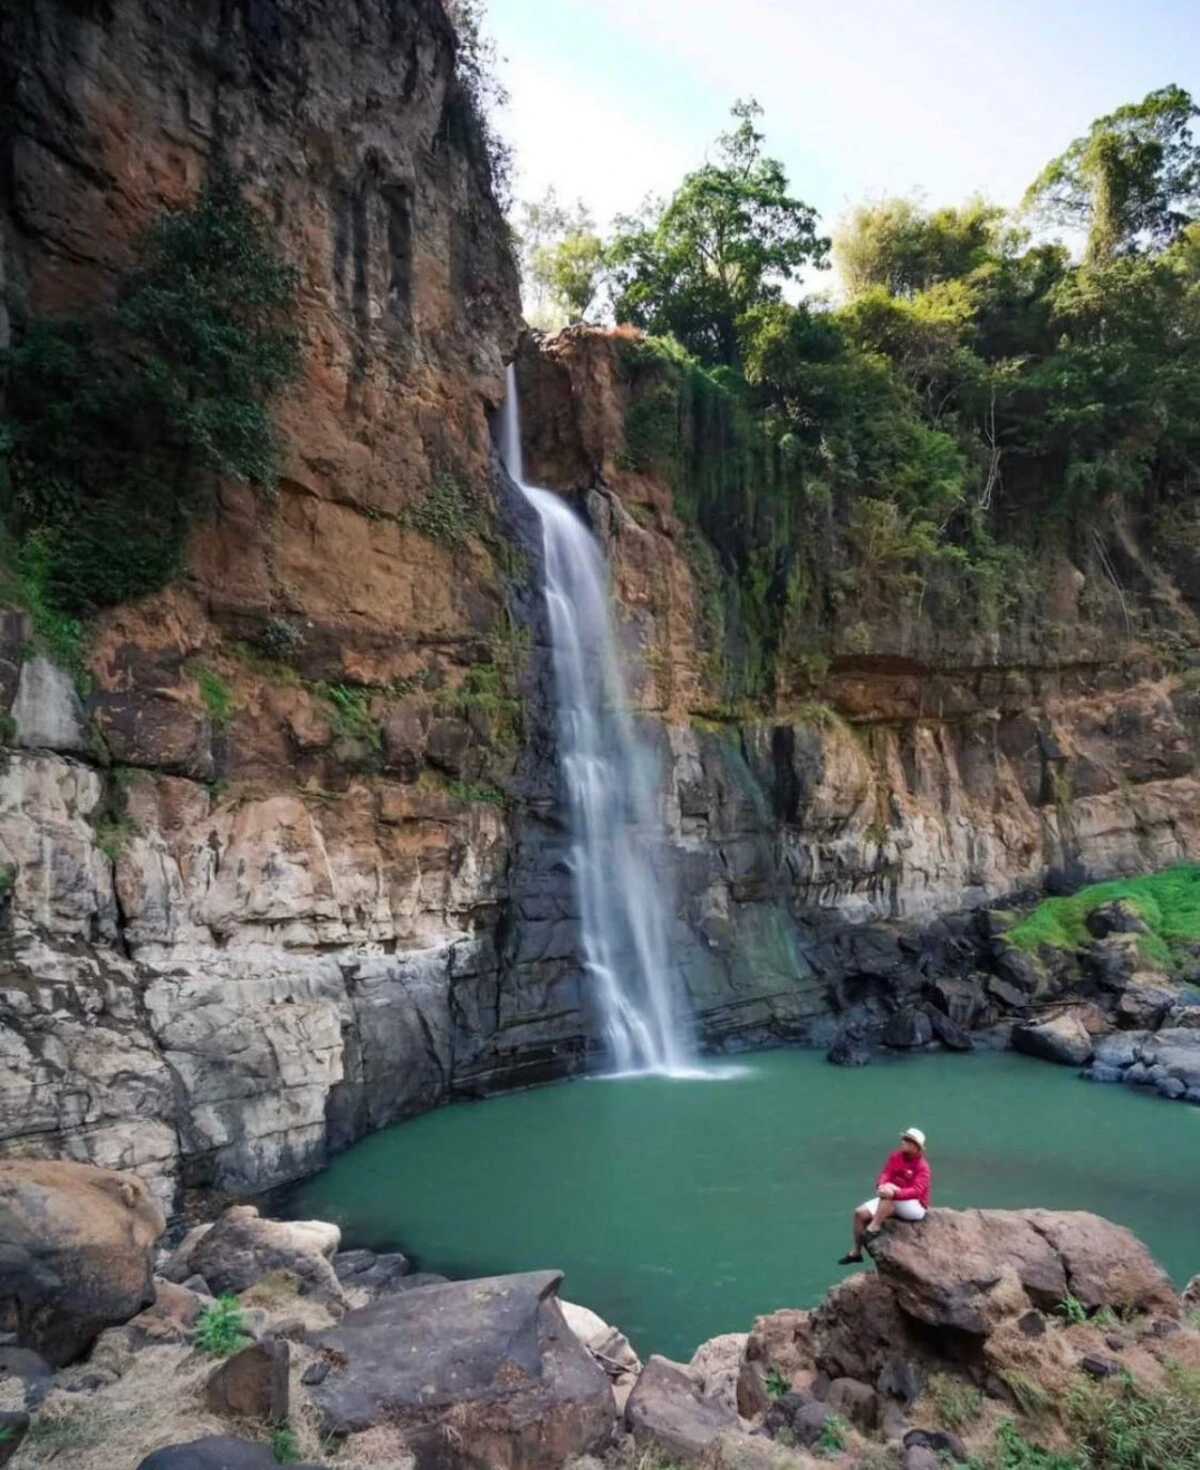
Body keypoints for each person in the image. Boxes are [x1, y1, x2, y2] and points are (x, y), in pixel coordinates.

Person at [839, 1127, 930, 1265]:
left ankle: (873, 1228)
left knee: (889, 1192)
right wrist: (881, 1185)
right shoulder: (896, 1156)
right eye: (903, 1138)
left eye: (907, 1140)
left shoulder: (922, 1166)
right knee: (859, 1213)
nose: (903, 1141)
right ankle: (856, 1252)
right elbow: (886, 1173)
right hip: (894, 1198)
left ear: (916, 1146)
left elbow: (917, 1191)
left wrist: (895, 1193)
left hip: (914, 1206)